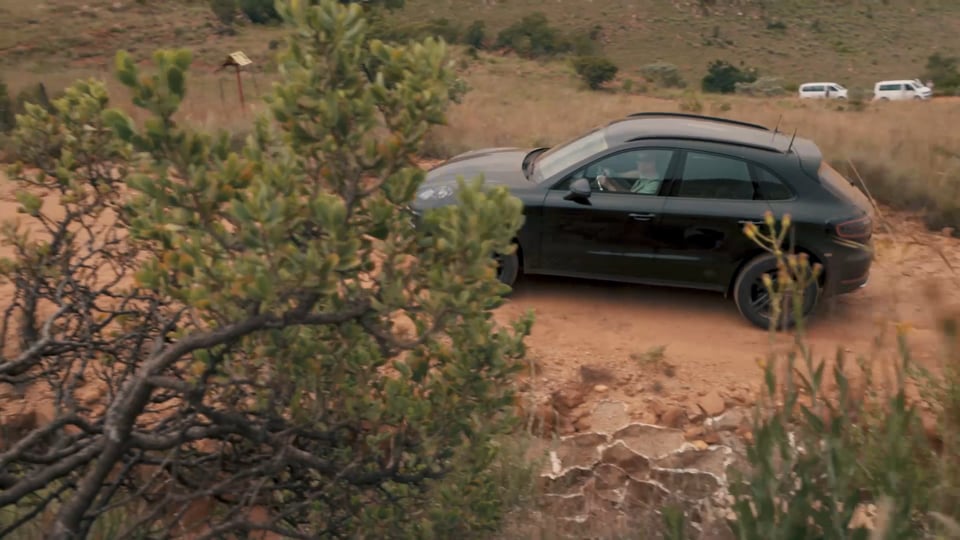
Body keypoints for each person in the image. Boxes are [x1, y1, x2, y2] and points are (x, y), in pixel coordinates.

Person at [597, 152, 663, 195]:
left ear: (652, 163)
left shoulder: (653, 185)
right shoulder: (646, 176)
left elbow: (631, 202)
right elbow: (629, 193)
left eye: (641, 160)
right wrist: (613, 180)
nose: (637, 162)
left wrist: (608, 186)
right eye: (637, 159)